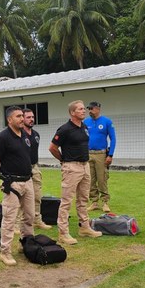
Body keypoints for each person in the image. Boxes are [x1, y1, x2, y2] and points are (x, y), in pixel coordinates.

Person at [49, 100, 102, 245]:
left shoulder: (84, 127)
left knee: (83, 199)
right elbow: (52, 147)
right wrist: (64, 160)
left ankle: (84, 228)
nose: (84, 110)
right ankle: (63, 233)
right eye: (80, 109)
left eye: (84, 108)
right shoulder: (64, 129)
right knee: (66, 201)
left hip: (85, 166)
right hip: (71, 167)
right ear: (72, 112)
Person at [0, 106, 34, 266]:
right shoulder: (2, 138)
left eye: (23, 116)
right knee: (9, 218)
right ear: (9, 120)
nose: (22, 119)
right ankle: (5, 252)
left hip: (28, 181)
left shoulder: (25, 136)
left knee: (29, 216)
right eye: (18, 116)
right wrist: (5, 174)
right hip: (12, 183)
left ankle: (26, 244)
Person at [22, 108, 52, 230]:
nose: (31, 119)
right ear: (22, 118)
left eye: (32, 117)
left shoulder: (36, 135)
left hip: (34, 168)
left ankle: (37, 220)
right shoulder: (19, 135)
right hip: (22, 170)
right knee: (21, 197)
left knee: (37, 196)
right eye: (28, 117)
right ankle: (17, 223)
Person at [84, 101, 116, 212]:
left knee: (102, 178)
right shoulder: (85, 122)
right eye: (89, 109)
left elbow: (113, 139)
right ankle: (94, 202)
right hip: (88, 154)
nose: (90, 111)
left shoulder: (107, 121)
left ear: (98, 109)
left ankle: (105, 202)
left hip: (101, 154)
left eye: (91, 109)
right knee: (90, 179)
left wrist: (110, 155)